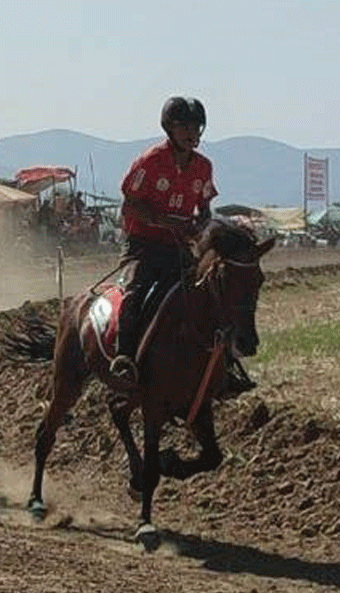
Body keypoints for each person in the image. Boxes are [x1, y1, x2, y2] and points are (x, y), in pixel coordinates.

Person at [110, 96, 217, 383]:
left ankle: (218, 363)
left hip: (178, 247)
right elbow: (129, 205)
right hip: (142, 245)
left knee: (208, 294)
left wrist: (201, 224)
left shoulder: (203, 167)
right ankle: (125, 360)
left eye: (197, 127)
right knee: (133, 294)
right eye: (185, 127)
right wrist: (164, 220)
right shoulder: (150, 162)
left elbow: (205, 206)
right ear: (170, 127)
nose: (192, 133)